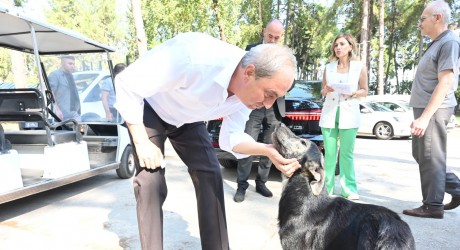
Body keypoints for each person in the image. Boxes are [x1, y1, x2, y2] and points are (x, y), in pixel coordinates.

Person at [114, 32, 300, 250]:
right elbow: (127, 82)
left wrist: (267, 150)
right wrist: (141, 141)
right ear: (249, 73)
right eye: (269, 94)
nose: (269, 105)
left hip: (187, 118)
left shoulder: (247, 95)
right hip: (150, 109)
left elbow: (230, 138)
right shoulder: (193, 57)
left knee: (211, 173)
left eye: (275, 98)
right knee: (151, 181)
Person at [402, 0, 460, 219]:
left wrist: (425, 117)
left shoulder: (450, 42)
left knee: (431, 156)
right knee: (422, 155)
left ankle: (432, 205)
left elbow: (445, 82)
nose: (420, 23)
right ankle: (456, 188)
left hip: (434, 110)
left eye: (423, 18)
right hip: (426, 108)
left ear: (437, 18)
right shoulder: (437, 42)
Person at [234, 19, 285, 203]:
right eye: (270, 36)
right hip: (252, 106)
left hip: (274, 108)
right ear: (264, 32)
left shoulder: (284, 55)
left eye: (276, 38)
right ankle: (241, 185)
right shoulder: (251, 49)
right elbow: (241, 74)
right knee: (247, 143)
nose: (272, 40)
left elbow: (291, 79)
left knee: (271, 145)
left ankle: (261, 182)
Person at [318, 33, 368, 200]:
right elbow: (322, 91)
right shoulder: (328, 67)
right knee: (330, 154)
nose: (338, 47)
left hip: (349, 112)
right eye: (336, 45)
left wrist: (353, 92)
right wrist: (327, 90)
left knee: (346, 153)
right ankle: (327, 188)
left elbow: (365, 90)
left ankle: (349, 190)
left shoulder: (359, 67)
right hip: (330, 113)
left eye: (341, 44)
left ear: (350, 47)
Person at [48, 55, 81, 122]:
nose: (72, 66)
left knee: (79, 131)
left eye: (73, 64)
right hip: (62, 114)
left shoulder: (70, 75)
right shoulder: (55, 75)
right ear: (62, 63)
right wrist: (56, 109)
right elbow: (50, 93)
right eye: (70, 63)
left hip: (75, 112)